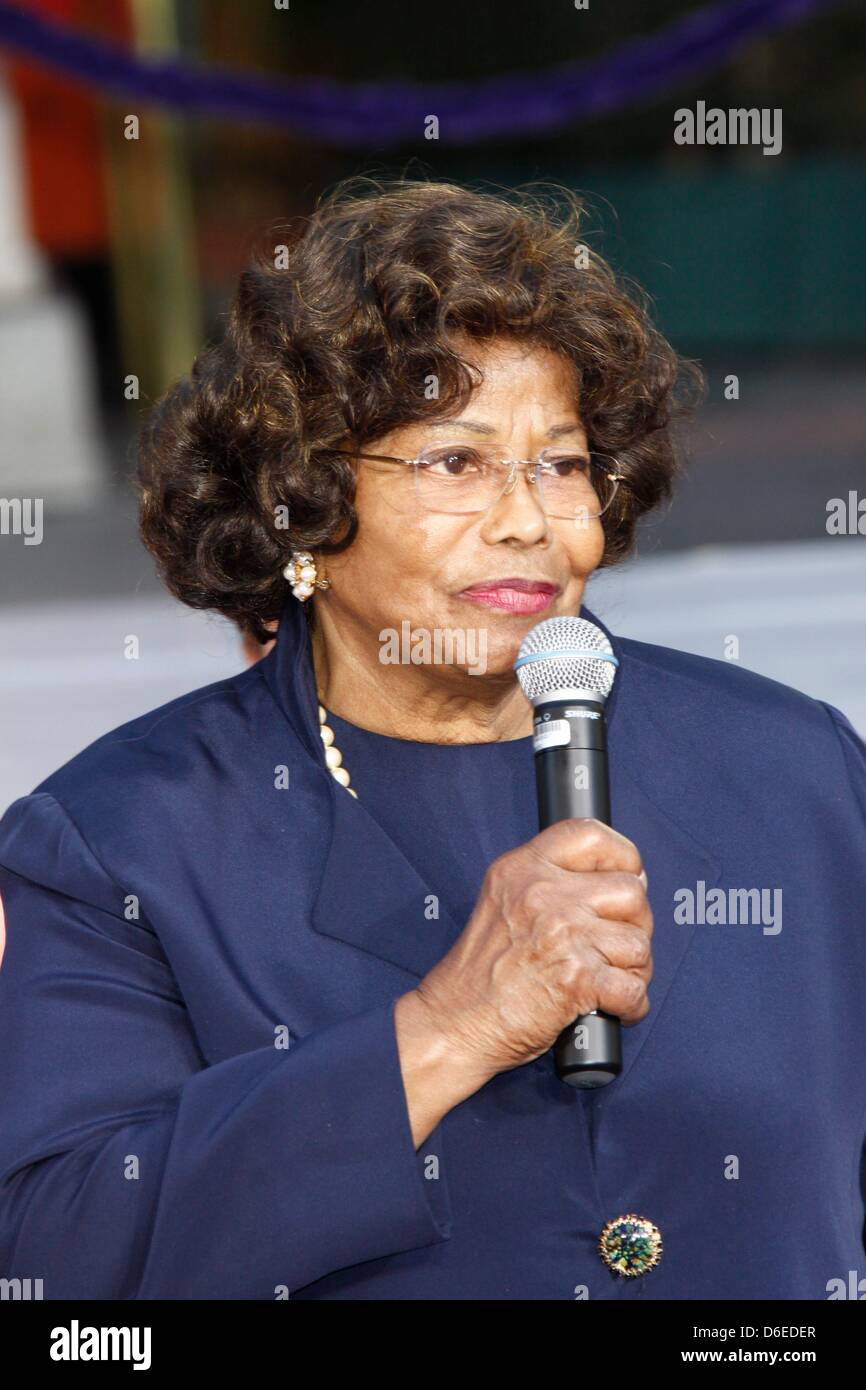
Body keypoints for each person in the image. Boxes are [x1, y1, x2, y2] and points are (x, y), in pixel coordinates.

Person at [1, 177, 864, 1301]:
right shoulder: (122, 843)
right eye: (453, 462)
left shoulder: (793, 772)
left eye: (559, 462)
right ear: (299, 502)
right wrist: (445, 1028)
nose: (526, 516)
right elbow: (60, 1266)